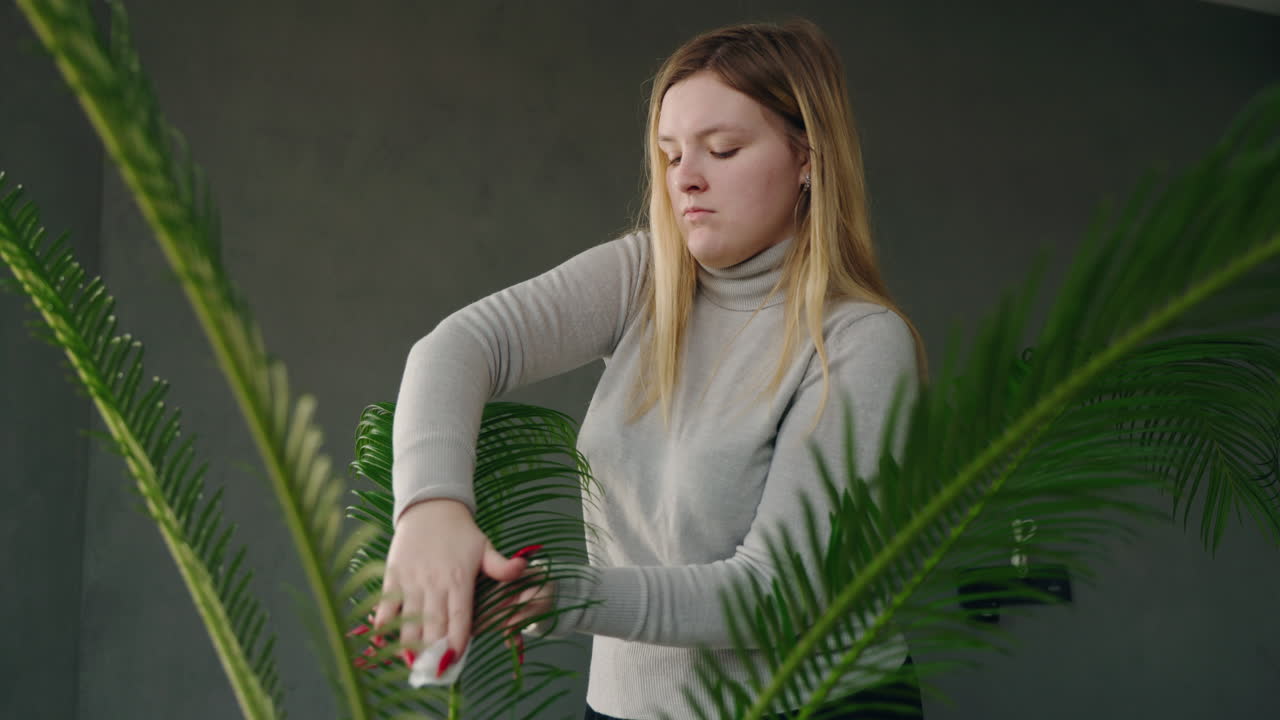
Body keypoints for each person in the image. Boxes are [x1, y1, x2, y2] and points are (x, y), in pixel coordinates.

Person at [374, 17, 929, 720]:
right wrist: (430, 508)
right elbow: (455, 349)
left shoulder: (860, 341)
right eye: (669, 156)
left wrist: (562, 594)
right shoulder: (646, 276)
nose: (686, 180)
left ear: (808, 157)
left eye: (722, 150)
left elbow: (774, 591)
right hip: (624, 709)